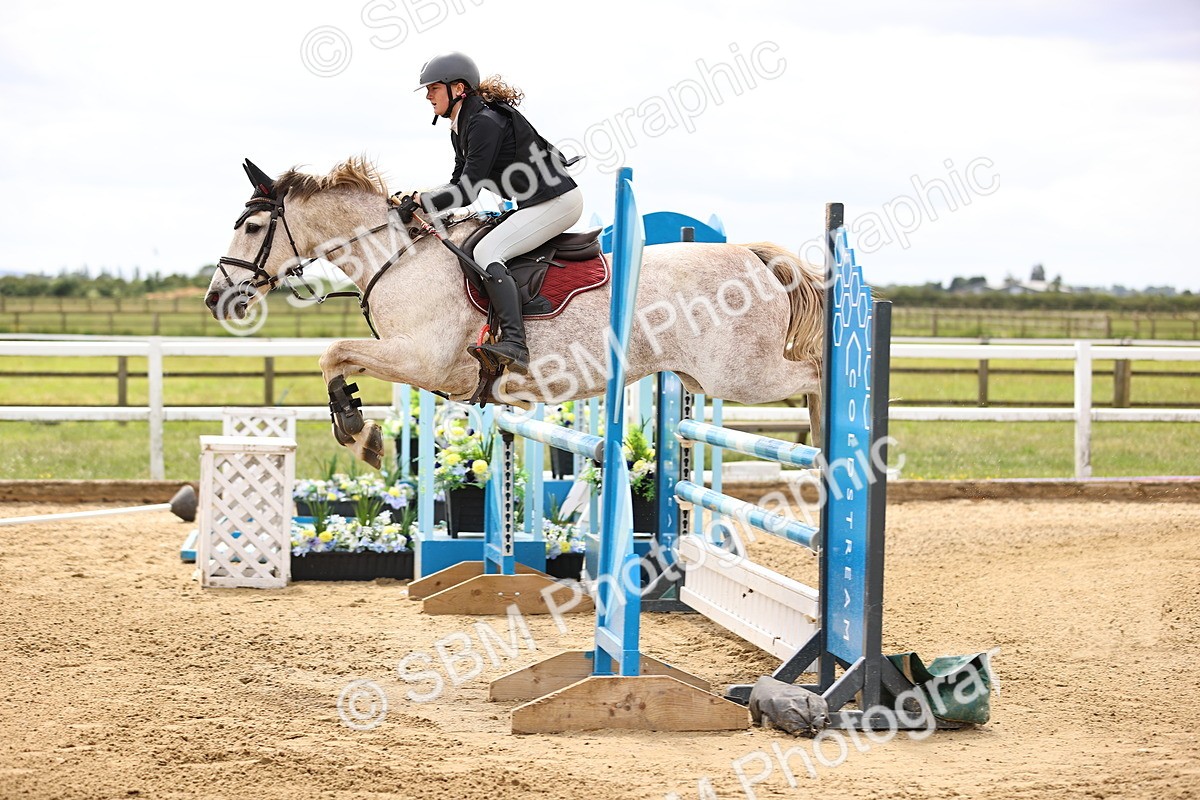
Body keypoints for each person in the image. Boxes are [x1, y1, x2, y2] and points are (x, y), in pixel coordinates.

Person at [412, 52, 583, 376]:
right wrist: (423, 200)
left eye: (433, 88)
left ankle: (516, 344)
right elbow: (458, 184)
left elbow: (468, 192)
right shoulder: (461, 126)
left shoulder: (484, 123)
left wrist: (423, 199)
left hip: (557, 201)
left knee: (488, 250)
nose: (428, 95)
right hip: (537, 202)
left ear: (458, 88)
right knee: (476, 245)